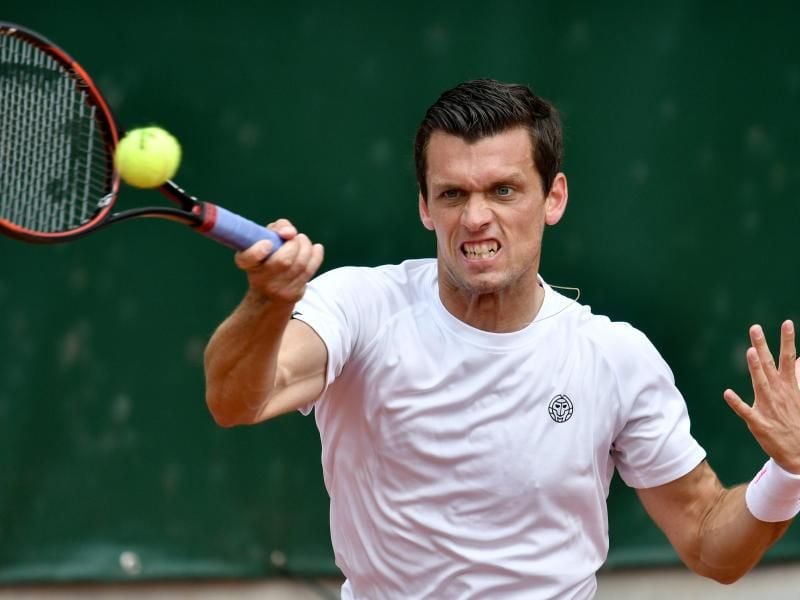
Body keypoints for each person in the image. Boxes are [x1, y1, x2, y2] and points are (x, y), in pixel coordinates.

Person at [203, 79, 800, 599]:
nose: (476, 218)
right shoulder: (359, 306)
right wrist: (268, 302)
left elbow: (710, 544)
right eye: (453, 194)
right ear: (425, 207)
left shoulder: (614, 358)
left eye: (503, 191)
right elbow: (234, 399)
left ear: (553, 198)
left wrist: (789, 471)